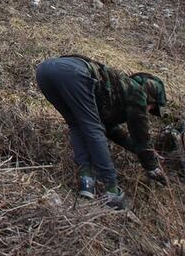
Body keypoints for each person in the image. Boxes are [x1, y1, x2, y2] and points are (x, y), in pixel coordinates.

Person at [35, 55, 167, 210]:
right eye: (152, 107)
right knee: (91, 128)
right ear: (150, 95)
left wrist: (138, 150)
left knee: (77, 124)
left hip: (44, 71)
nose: (149, 111)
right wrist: (151, 164)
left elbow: (111, 130)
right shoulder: (137, 92)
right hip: (73, 73)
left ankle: (87, 182)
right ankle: (112, 191)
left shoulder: (116, 92)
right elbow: (140, 134)